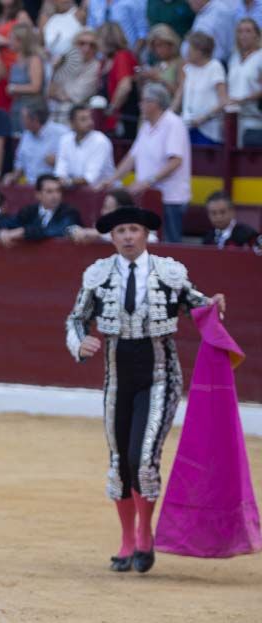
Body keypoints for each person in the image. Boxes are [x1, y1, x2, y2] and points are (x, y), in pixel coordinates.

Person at [64, 206, 226, 573]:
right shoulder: (99, 274)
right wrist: (80, 344)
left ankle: (145, 535)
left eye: (133, 229)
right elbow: (75, 318)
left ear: (146, 234)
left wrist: (214, 305)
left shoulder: (169, 272)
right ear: (112, 236)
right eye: (120, 230)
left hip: (159, 379)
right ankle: (127, 538)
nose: (127, 236)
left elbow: (200, 307)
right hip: (117, 380)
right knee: (121, 460)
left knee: (142, 457)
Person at [97, 84, 191, 244]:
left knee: (170, 243)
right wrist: (112, 179)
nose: (140, 105)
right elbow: (132, 157)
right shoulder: (146, 126)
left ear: (156, 103)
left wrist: (148, 181)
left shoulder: (173, 123)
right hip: (148, 195)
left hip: (170, 197)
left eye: (144, 101)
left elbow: (175, 161)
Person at [0, 173, 82, 246]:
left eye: (58, 191)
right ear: (38, 195)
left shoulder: (69, 212)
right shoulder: (29, 211)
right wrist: (1, 230)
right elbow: (4, 222)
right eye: (49, 191)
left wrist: (23, 232)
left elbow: (55, 231)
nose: (55, 195)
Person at [174, 31, 227, 145]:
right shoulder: (187, 68)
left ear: (200, 50)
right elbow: (179, 97)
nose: (187, 52)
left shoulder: (215, 66)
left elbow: (223, 100)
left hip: (208, 130)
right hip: (187, 127)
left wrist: (203, 118)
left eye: (190, 48)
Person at [6, 101, 66, 186]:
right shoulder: (26, 135)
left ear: (35, 120)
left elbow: (73, 161)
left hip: (53, 188)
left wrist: (58, 162)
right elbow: (20, 162)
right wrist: (13, 176)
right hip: (30, 186)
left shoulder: (62, 134)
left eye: (24, 117)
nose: (21, 120)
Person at [54, 104, 114, 188]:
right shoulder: (65, 139)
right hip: (73, 190)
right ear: (72, 123)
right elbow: (60, 170)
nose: (89, 122)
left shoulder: (101, 141)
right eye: (83, 119)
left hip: (101, 193)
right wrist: (62, 180)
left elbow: (90, 178)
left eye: (90, 118)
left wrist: (67, 182)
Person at [225, 18, 262, 147]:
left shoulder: (260, 57)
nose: (244, 35)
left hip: (254, 120)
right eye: (240, 31)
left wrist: (244, 99)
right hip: (232, 118)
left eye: (248, 31)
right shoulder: (233, 58)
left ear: (256, 34)